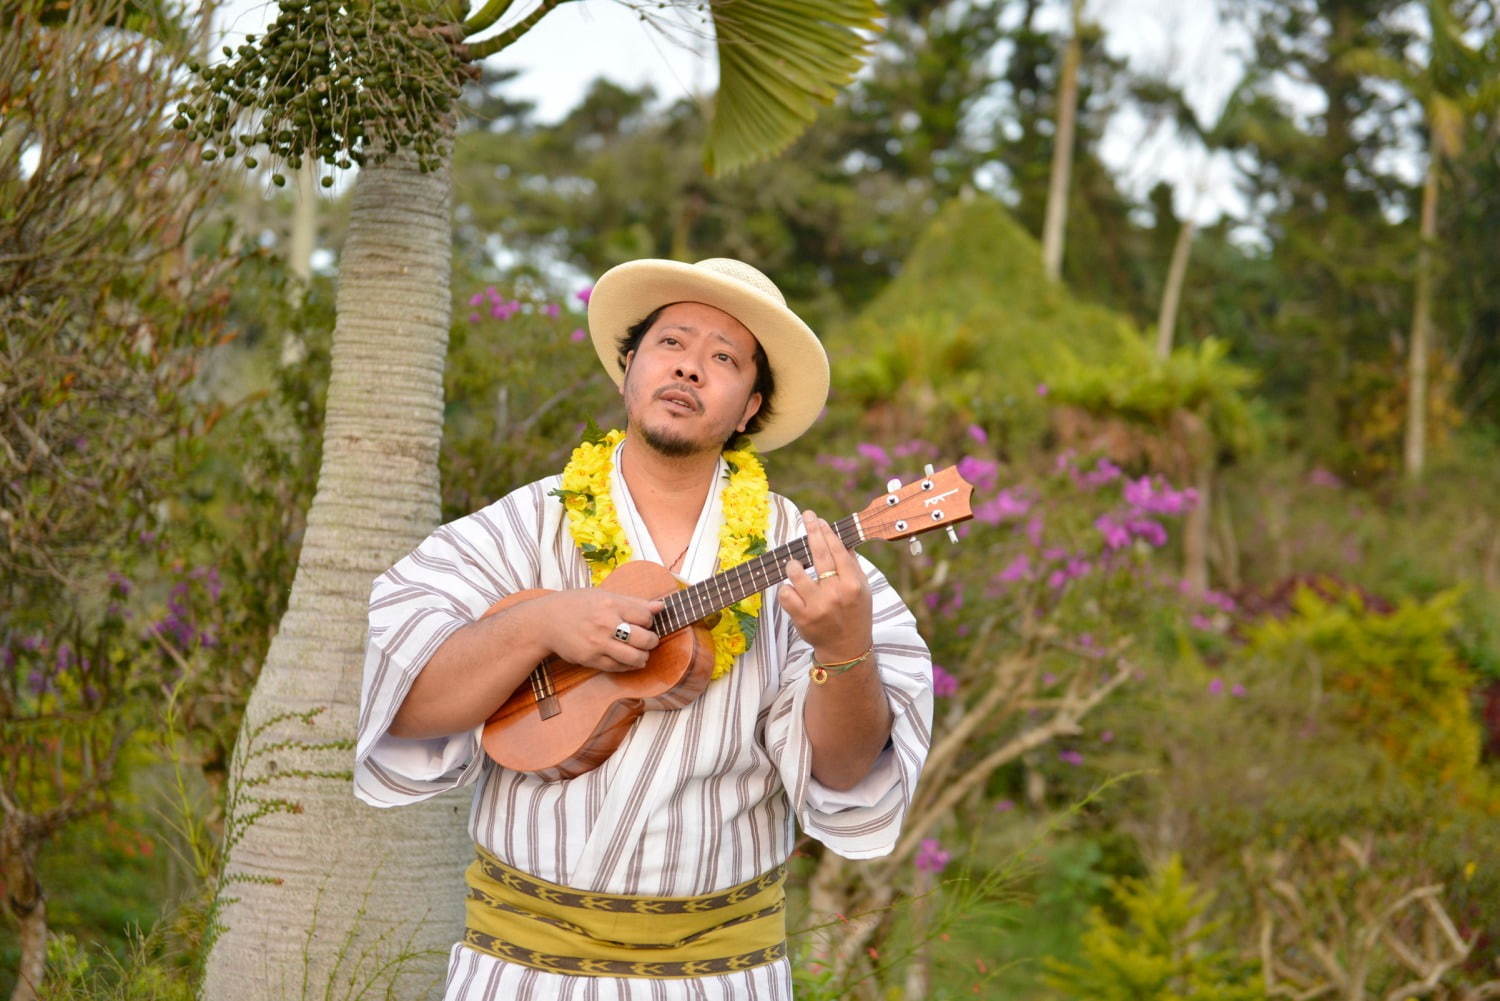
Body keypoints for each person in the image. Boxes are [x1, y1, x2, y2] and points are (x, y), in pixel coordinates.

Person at [355, 257, 934, 999]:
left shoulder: (809, 555)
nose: (691, 368)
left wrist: (845, 647)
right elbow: (406, 700)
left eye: (723, 358)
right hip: (520, 972)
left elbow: (850, 772)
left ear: (750, 406)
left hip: (720, 979)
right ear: (629, 367)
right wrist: (540, 622)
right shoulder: (524, 526)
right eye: (672, 344)